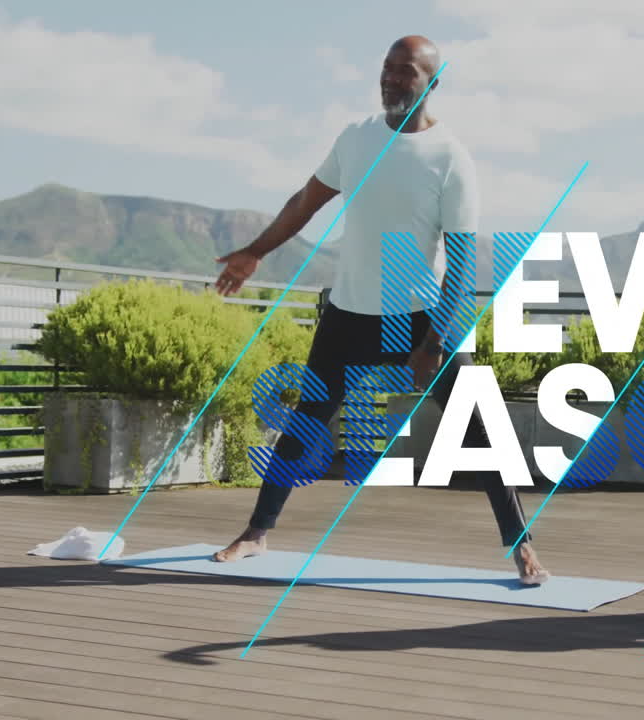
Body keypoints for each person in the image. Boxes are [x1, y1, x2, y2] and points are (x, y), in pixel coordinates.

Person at [208, 35, 550, 586]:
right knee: (305, 424)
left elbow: (461, 263)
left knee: (478, 429)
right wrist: (255, 251)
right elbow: (305, 201)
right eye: (387, 69)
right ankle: (255, 533)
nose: (391, 79)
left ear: (431, 83)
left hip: (418, 318)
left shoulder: (451, 160)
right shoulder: (356, 137)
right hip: (349, 312)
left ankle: (522, 547)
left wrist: (434, 340)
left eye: (406, 72)